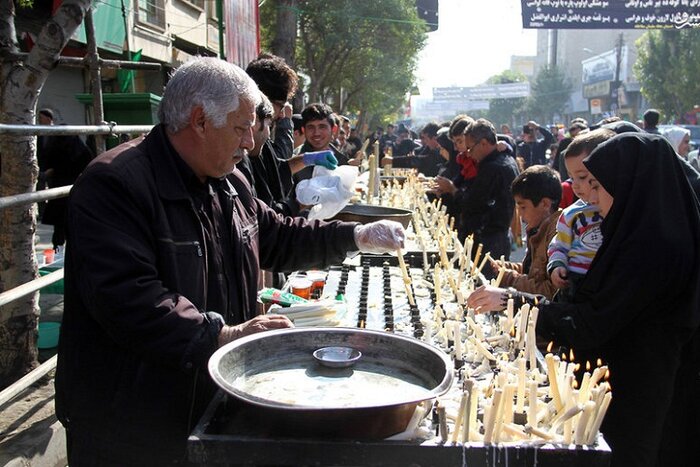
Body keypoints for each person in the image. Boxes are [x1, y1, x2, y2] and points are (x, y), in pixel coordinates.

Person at [55, 57, 406, 466]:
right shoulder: (115, 184)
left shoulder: (230, 180)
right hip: (133, 418)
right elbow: (128, 298)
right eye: (241, 128)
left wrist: (355, 236)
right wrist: (221, 335)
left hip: (209, 392)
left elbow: (276, 234)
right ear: (201, 121)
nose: (250, 143)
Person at [468, 132, 700, 467]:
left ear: (628, 187)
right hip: (626, 385)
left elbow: (592, 321)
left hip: (642, 396)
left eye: (597, 187)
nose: (590, 198)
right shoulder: (641, 232)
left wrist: (512, 302)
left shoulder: (653, 250)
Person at [436, 118, 519, 260]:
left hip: (488, 241)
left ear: (484, 143)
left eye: (470, 148)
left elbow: (472, 202)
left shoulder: (493, 168)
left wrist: (453, 190)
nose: (468, 153)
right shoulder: (502, 159)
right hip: (494, 237)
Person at [547, 129, 613, 302]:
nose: (575, 186)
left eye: (582, 177)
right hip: (576, 284)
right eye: (571, 178)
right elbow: (558, 246)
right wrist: (557, 266)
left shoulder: (625, 212)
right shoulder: (571, 215)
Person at [488, 165, 561, 298]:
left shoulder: (558, 235)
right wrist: (506, 267)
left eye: (523, 207)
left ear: (545, 204)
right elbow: (532, 271)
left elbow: (550, 291)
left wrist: (510, 278)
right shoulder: (537, 230)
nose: (520, 215)